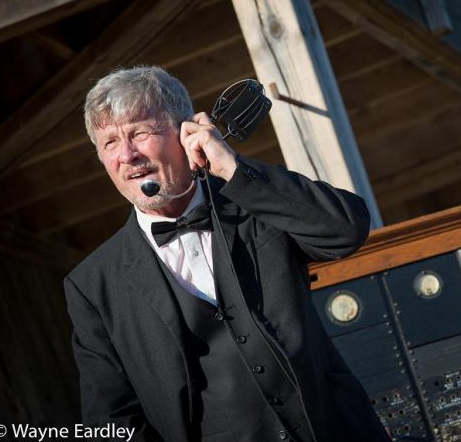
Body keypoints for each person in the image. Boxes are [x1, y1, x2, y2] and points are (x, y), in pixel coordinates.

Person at [64, 66, 390, 442]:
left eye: (140, 133)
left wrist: (233, 168)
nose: (127, 155)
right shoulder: (93, 285)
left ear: (187, 133)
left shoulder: (256, 205)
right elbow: (112, 420)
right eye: (109, 143)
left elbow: (346, 230)